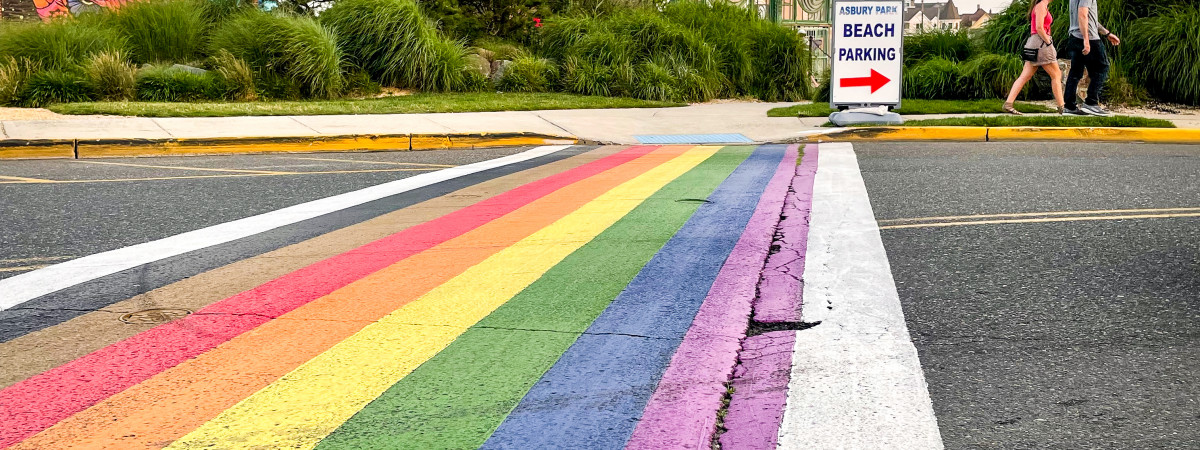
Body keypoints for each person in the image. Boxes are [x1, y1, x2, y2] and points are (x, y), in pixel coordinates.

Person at [1003, 0, 1063, 115]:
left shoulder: (1041, 6)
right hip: (1041, 43)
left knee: (1025, 75)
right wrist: (1049, 43)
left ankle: (1008, 104)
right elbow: (1039, 27)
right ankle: (1062, 108)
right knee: (1056, 74)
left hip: (1034, 43)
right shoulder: (1041, 6)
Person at [1063, 0, 1121, 116]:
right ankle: (1091, 103)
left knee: (1075, 72)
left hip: (1074, 37)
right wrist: (1086, 40)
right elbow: (1083, 14)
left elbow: (1090, 18)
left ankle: (1069, 106)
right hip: (1089, 37)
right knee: (1102, 67)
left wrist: (1107, 33)